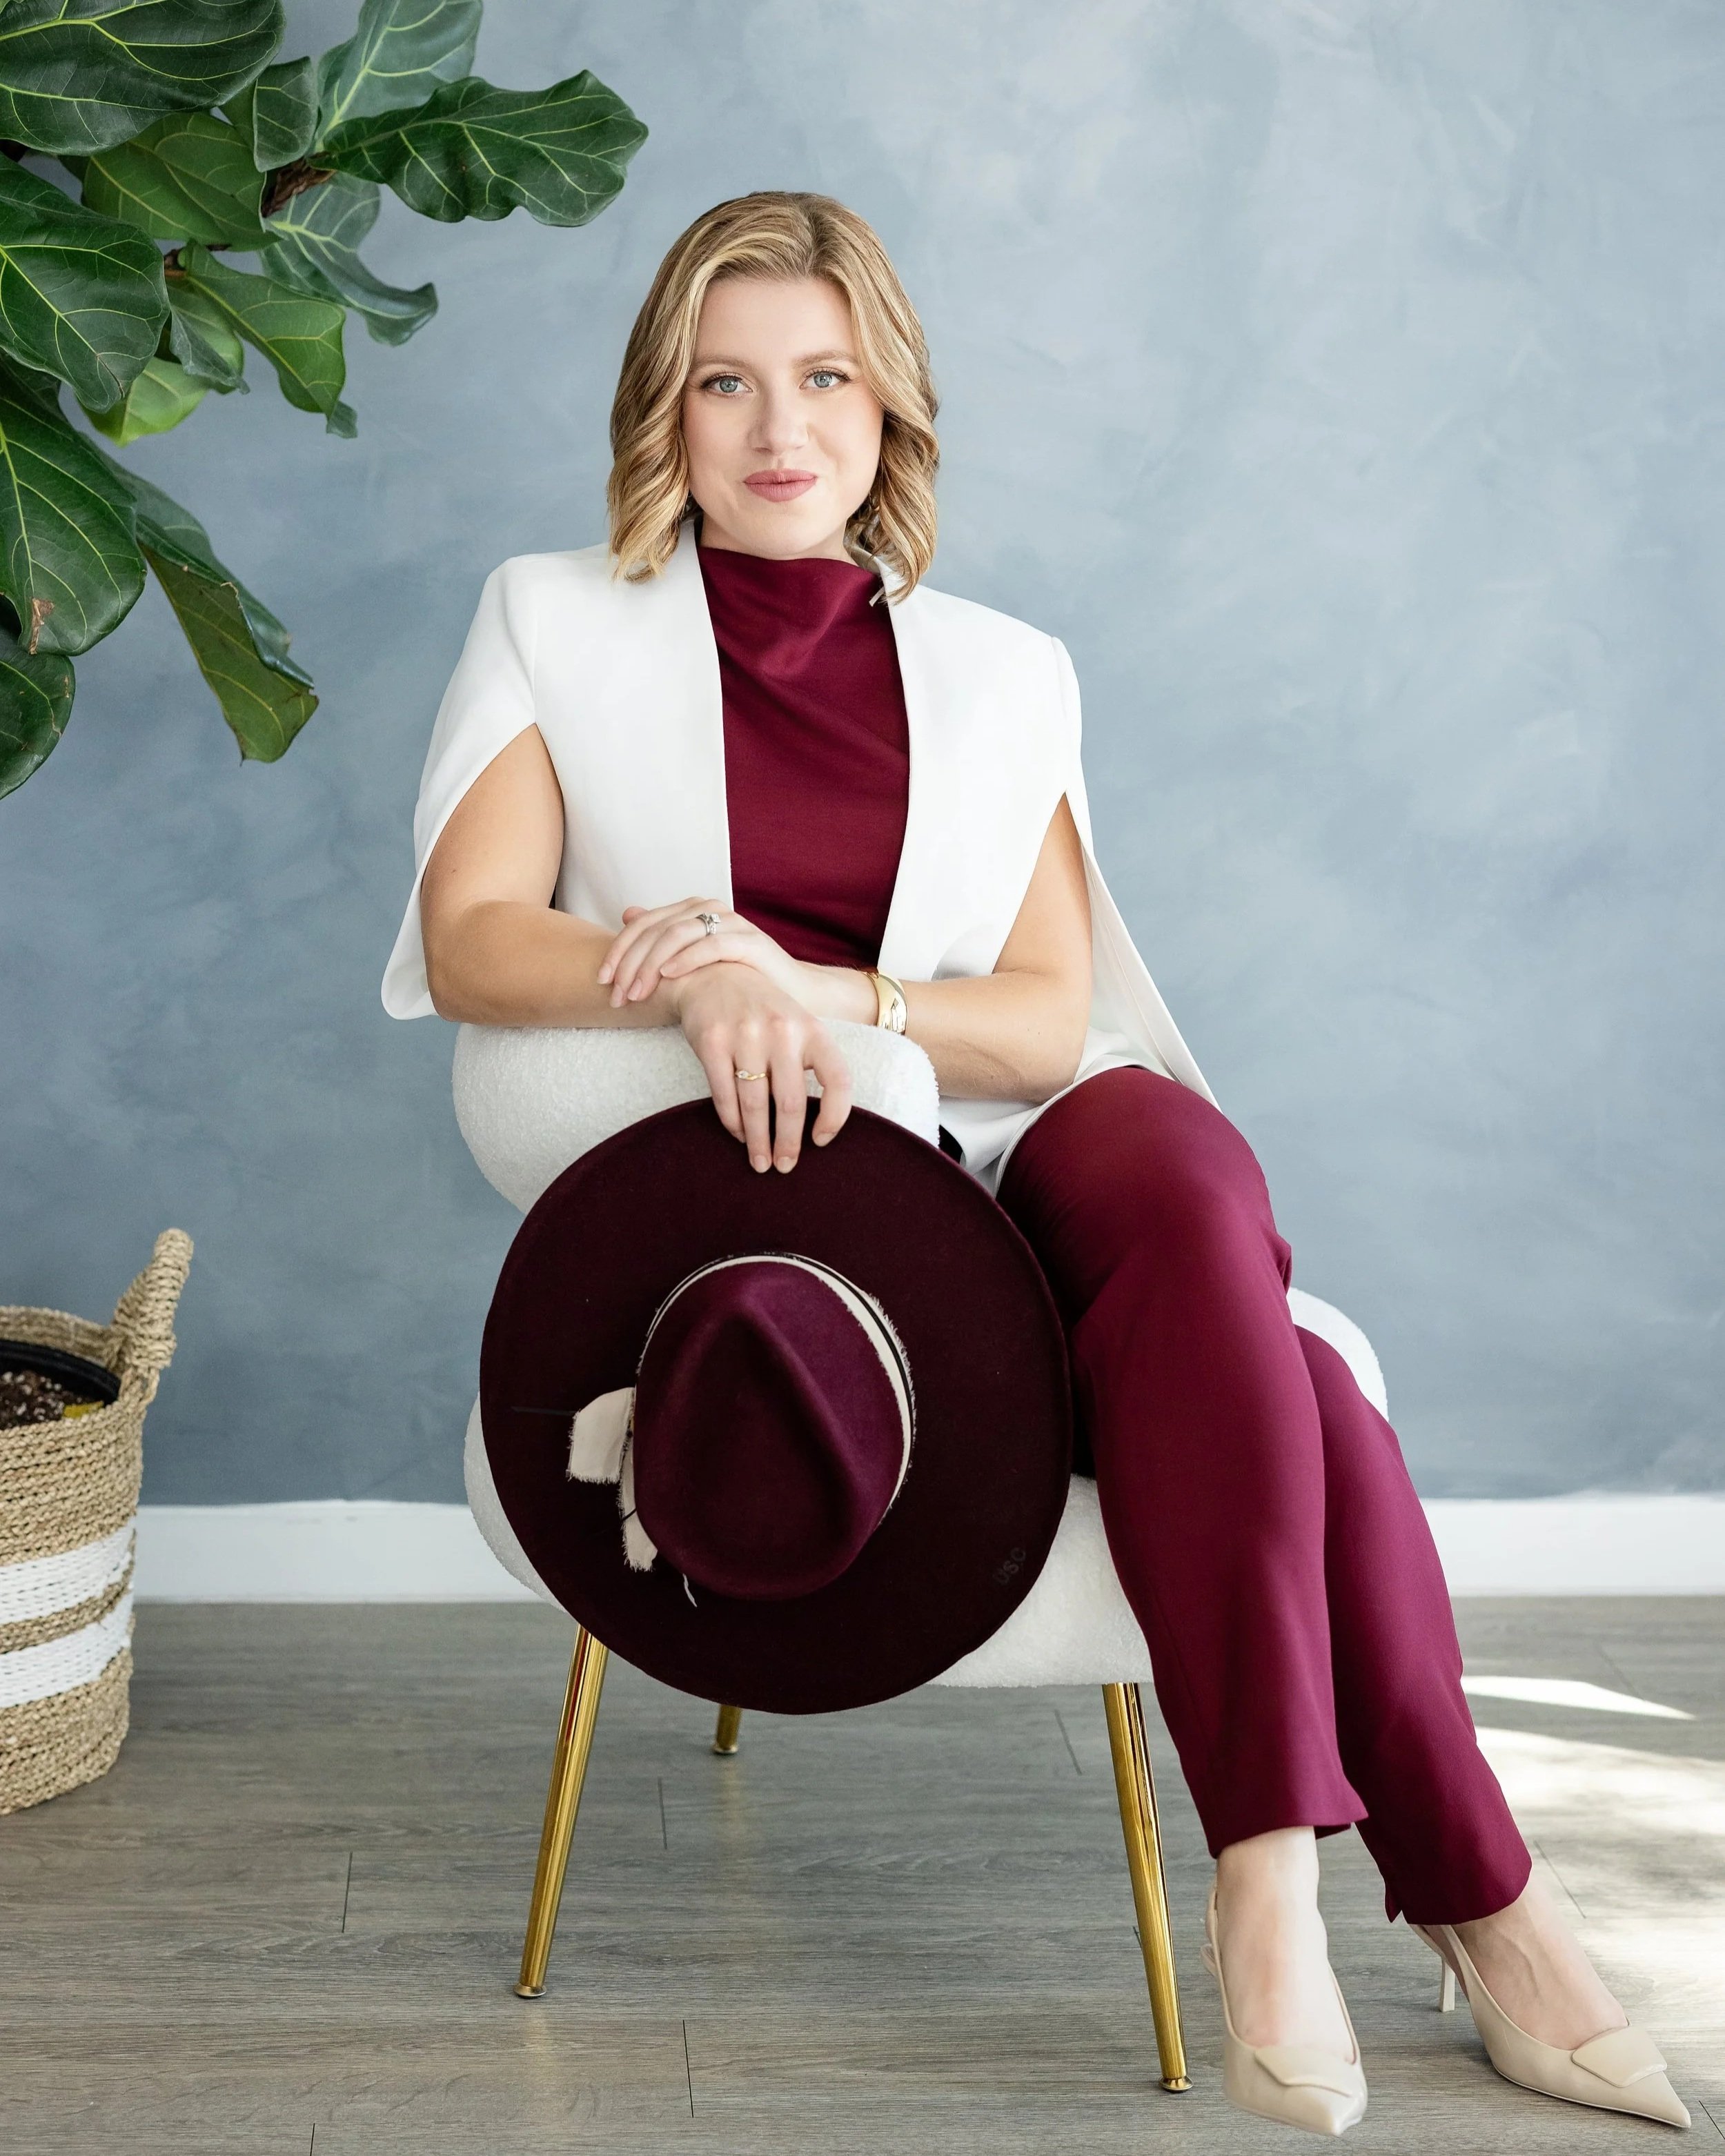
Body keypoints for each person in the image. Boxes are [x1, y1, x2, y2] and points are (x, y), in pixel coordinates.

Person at [391, 192, 1688, 2137]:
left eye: (823, 378)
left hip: (989, 1118)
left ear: (886, 408)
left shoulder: (1006, 670)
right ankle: (1472, 1900)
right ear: (663, 413)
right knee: (1305, 1387)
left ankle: (1262, 1871)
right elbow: (476, 937)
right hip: (791, 1175)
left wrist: (832, 987)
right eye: (725, 382)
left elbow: (1037, 1011)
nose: (777, 428)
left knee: (1178, 1165)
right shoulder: (555, 619)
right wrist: (698, 972)